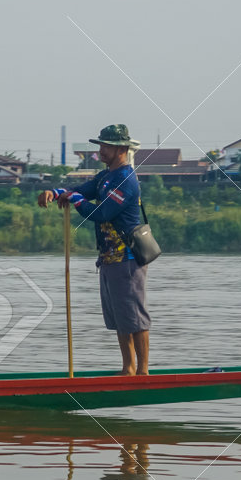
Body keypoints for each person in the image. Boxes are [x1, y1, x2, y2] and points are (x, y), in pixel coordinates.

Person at [38, 123, 151, 375]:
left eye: (106, 146)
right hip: (109, 258)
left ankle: (143, 372)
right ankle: (128, 368)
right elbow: (81, 191)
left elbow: (102, 213)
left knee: (135, 316)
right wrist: (56, 193)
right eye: (101, 145)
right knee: (120, 318)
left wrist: (74, 200)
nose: (101, 150)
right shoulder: (105, 176)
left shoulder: (126, 179)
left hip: (128, 257)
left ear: (121, 148)